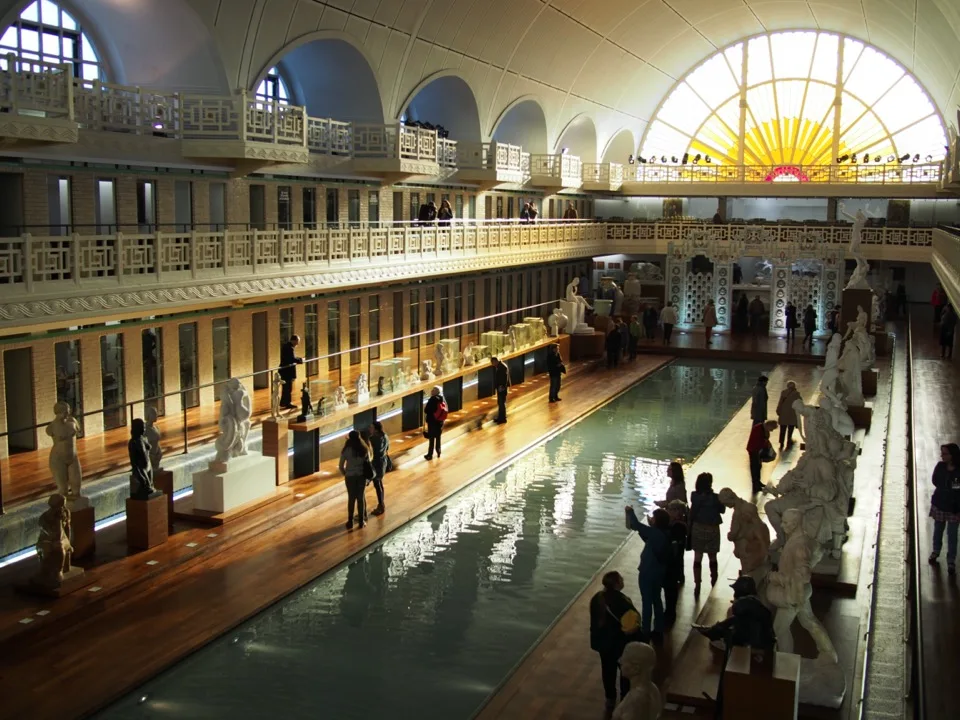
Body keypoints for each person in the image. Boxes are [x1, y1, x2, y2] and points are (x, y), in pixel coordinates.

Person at [589, 571, 639, 710]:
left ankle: (610, 698)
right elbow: (632, 623)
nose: (623, 580)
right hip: (619, 643)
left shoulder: (596, 598)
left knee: (607, 670)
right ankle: (624, 699)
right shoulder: (622, 600)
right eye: (621, 579)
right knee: (624, 671)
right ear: (617, 583)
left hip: (603, 643)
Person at [624, 506, 671, 642]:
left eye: (653, 518)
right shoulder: (664, 534)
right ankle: (658, 630)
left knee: (647, 602)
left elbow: (637, 525)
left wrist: (630, 512)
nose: (650, 519)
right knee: (656, 600)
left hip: (647, 572)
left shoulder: (655, 533)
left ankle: (645, 632)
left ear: (657, 521)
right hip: (659, 572)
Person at [688, 473, 725, 593]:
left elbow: (692, 513)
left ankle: (697, 584)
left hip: (698, 528)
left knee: (697, 557)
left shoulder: (694, 496)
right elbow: (722, 510)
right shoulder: (715, 498)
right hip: (713, 529)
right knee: (712, 557)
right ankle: (714, 580)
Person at [929, 443, 960, 574]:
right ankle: (936, 551)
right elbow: (934, 480)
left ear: (952, 456)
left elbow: (957, 490)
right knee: (938, 530)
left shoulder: (958, 471)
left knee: (952, 535)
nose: (942, 455)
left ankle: (951, 560)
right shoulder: (940, 466)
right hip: (940, 504)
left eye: (945, 453)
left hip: (953, 507)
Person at [662, 499, 688, 626]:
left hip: (672, 564)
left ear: (677, 512)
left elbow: (673, 545)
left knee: (670, 591)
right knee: (669, 591)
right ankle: (669, 613)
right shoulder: (679, 525)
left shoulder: (677, 527)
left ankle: (670, 615)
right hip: (675, 563)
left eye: (670, 509)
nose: (668, 511)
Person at [339, 430, 372, 530]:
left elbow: (341, 466)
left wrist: (346, 473)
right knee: (360, 498)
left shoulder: (346, 450)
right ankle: (361, 522)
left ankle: (350, 521)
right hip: (361, 476)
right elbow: (369, 462)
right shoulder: (364, 449)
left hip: (350, 476)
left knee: (351, 498)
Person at [747, 420, 778, 494]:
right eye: (772, 428)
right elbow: (758, 441)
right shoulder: (758, 429)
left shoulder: (763, 428)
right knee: (755, 468)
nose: (772, 430)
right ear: (769, 425)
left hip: (758, 451)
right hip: (754, 450)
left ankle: (758, 482)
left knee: (758, 467)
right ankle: (756, 486)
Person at [368, 421, 389, 516]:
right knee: (380, 483)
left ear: (375, 429)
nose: (370, 429)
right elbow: (387, 447)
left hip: (376, 463)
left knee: (377, 484)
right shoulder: (385, 436)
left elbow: (371, 453)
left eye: (371, 427)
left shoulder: (373, 439)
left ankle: (381, 505)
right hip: (383, 461)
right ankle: (382, 504)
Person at [278, 334, 303, 409]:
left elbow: (292, 357)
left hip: (285, 371)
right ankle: (287, 403)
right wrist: (301, 360)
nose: (297, 343)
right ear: (293, 340)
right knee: (288, 388)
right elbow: (291, 359)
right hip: (286, 371)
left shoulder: (287, 347)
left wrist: (299, 359)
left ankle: (283, 403)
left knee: (286, 388)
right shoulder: (289, 348)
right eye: (297, 341)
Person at [423, 386, 447, 460]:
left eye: (433, 390)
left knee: (431, 438)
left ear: (436, 391)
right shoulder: (442, 399)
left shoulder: (432, 399)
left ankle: (430, 455)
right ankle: (438, 451)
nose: (431, 391)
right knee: (438, 437)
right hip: (440, 421)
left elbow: (426, 410)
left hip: (432, 421)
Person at [776, 381, 801, 449]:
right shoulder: (796, 394)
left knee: (782, 430)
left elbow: (780, 402)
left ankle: (781, 443)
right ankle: (788, 443)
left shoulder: (783, 392)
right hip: (792, 414)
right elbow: (800, 403)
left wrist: (778, 410)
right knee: (790, 430)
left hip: (784, 414)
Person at [491, 356, 511, 424]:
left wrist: (502, 387)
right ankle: (500, 417)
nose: (492, 365)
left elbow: (504, 379)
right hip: (500, 387)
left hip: (502, 388)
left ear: (495, 361)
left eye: (492, 363)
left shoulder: (502, 367)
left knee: (502, 403)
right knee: (500, 403)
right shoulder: (500, 366)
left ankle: (503, 418)